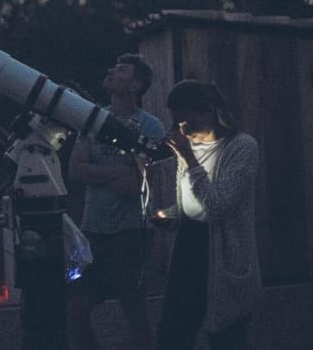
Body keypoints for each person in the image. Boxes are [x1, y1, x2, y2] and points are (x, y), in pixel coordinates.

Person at [154, 79, 261, 350]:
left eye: (187, 124)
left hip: (223, 253)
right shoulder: (189, 148)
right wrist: (171, 214)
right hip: (188, 248)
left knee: (227, 336)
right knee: (174, 333)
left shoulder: (241, 147)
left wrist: (189, 159)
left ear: (207, 111)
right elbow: (191, 200)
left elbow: (217, 206)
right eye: (178, 125)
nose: (183, 131)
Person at [68, 54, 165, 350]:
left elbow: (136, 185)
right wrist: (119, 172)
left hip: (130, 232)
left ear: (136, 85)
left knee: (134, 308)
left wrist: (97, 174)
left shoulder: (150, 127)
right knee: (76, 307)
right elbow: (74, 170)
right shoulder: (93, 119)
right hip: (93, 229)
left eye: (121, 70)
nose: (111, 70)